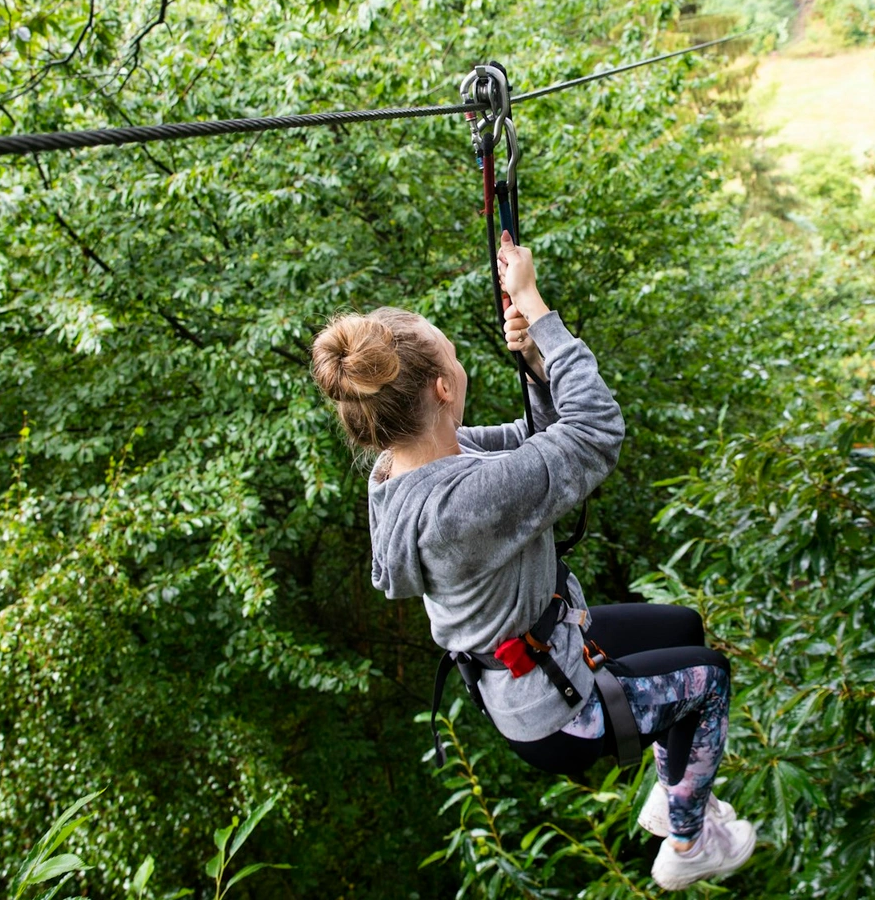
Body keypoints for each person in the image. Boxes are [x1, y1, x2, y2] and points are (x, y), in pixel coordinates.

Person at [310, 233, 757, 890]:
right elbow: (596, 432)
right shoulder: (463, 504)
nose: (462, 365)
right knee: (710, 677)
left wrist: (540, 367)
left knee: (683, 627)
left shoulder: (408, 467)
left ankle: (671, 787)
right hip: (556, 706)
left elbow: (537, 443)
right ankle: (690, 843)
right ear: (442, 386)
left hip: (548, 646)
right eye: (457, 358)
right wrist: (537, 309)